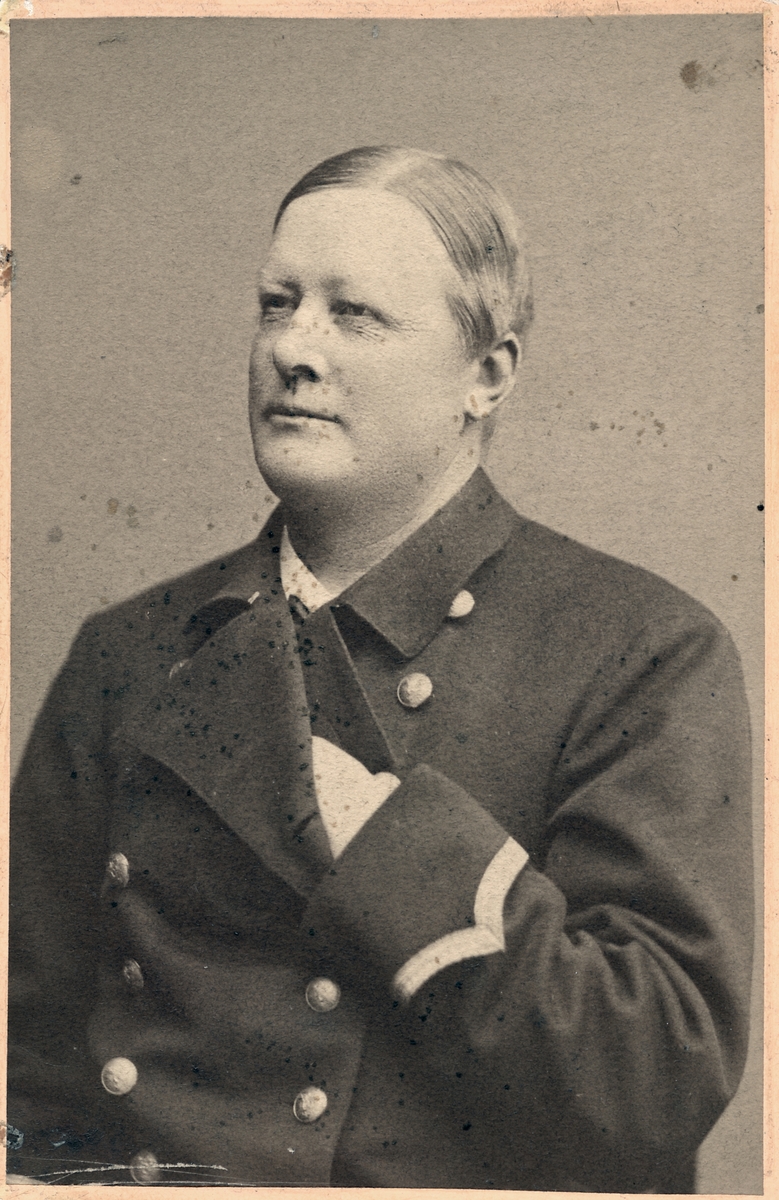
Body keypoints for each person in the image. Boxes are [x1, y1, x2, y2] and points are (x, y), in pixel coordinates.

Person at [8, 146, 753, 1191]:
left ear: (485, 375)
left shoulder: (638, 649)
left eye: (353, 315)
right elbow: (28, 1086)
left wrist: (383, 842)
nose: (292, 349)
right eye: (276, 305)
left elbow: (651, 1085)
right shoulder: (126, 655)